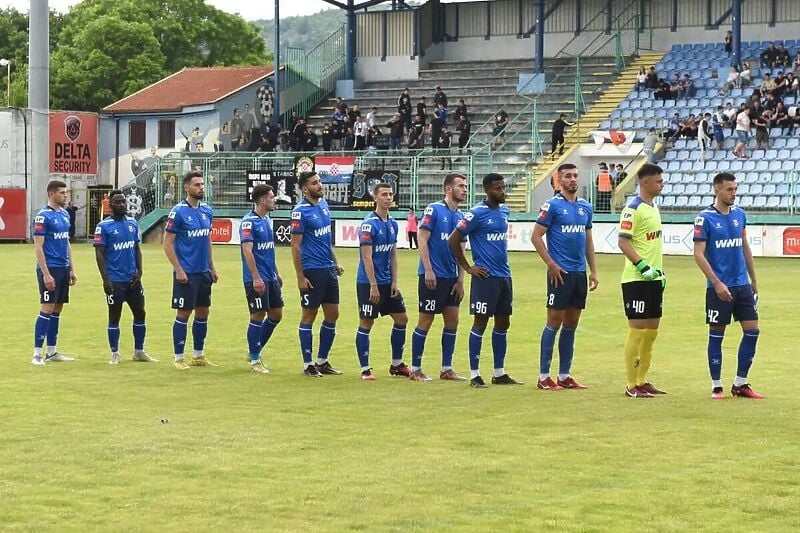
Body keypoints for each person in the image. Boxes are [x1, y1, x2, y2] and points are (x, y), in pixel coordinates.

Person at [692, 173, 763, 400]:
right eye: (729, 189)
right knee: (716, 336)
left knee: (752, 331)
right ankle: (716, 386)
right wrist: (716, 282)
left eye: (735, 189)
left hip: (742, 285)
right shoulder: (704, 219)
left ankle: (740, 384)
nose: (734, 193)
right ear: (717, 190)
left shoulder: (739, 215)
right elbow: (698, 254)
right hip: (718, 288)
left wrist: (753, 279)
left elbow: (745, 247)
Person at [448, 173, 522, 388]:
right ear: (488, 190)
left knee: (503, 322)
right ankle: (475, 374)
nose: (503, 192)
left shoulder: (504, 211)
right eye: (498, 188)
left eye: (503, 188)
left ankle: (499, 373)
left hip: (504, 276)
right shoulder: (476, 214)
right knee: (480, 322)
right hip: (485, 277)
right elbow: (453, 239)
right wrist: (468, 267)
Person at [531, 164, 598, 391]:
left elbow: (588, 240)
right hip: (560, 273)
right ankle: (543, 377)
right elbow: (536, 237)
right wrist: (551, 264)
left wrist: (593, 270)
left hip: (578, 273)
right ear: (559, 181)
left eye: (575, 175)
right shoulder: (551, 206)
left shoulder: (585, 207)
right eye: (567, 176)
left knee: (572, 323)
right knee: (554, 321)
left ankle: (564, 375)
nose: (572, 179)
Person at [412, 173, 469, 382]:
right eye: (460, 186)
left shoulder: (462, 217)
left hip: (451, 278)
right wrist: (428, 269)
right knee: (425, 320)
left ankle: (446, 368)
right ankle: (415, 368)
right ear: (448, 189)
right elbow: (422, 238)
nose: (464, 189)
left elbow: (462, 248)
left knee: (452, 321)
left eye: (465, 186)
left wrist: (461, 279)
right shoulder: (434, 210)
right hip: (432, 277)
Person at [617, 163, 666, 398]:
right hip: (636, 279)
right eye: (658, 180)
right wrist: (642, 266)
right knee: (637, 331)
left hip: (654, 279)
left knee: (652, 332)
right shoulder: (632, 208)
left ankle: (642, 380)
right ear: (645, 182)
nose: (662, 183)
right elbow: (623, 242)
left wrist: (659, 272)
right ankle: (630, 384)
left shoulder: (654, 207)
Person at [291, 172, 345, 377]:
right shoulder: (300, 212)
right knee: (309, 315)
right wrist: (300, 275)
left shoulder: (323, 205)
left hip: (327, 268)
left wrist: (335, 261)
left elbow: (326, 238)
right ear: (305, 189)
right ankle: (308, 364)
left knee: (333, 314)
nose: (320, 185)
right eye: (315, 183)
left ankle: (322, 361)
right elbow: (295, 246)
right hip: (312, 270)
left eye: (319, 181)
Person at [163, 171, 219, 370]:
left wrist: (212, 266)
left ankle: (198, 355)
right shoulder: (178, 212)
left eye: (202, 184)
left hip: (203, 271)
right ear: (186, 187)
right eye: (196, 185)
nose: (201, 188)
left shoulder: (206, 211)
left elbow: (207, 239)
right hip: (186, 272)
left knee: (203, 312)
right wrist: (178, 269)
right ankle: (178, 358)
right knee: (184, 313)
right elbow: (167, 243)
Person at [354, 184, 409, 381]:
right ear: (375, 198)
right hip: (369, 283)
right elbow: (366, 258)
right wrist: (373, 285)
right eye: (384, 195)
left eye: (390, 194)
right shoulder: (369, 225)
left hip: (387, 282)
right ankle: (365, 369)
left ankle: (396, 364)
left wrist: (394, 280)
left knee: (402, 319)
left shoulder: (393, 223)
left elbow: (393, 254)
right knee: (367, 322)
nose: (388, 197)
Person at [94, 190, 155, 365]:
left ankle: (139, 351)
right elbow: (99, 253)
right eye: (117, 202)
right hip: (115, 280)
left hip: (133, 279)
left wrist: (140, 271)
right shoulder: (104, 227)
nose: (121, 205)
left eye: (123, 202)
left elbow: (136, 248)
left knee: (140, 313)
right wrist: (105, 279)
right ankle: (115, 353)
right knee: (114, 316)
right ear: (110, 205)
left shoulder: (132, 223)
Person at [31, 180, 77, 365]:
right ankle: (36, 354)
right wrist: (46, 273)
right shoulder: (43, 217)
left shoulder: (65, 214)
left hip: (63, 268)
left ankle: (52, 351)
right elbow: (38, 247)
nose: (65, 195)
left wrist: (71, 268)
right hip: (50, 267)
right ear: (51, 194)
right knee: (47, 307)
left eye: (66, 192)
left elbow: (66, 242)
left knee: (58, 307)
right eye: (62, 193)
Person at [240, 184, 284, 374]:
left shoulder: (267, 220)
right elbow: (248, 251)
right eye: (272, 197)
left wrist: (277, 272)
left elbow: (268, 250)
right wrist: (256, 277)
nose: (274, 200)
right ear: (263, 200)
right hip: (256, 279)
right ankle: (255, 360)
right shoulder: (249, 222)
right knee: (257, 315)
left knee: (276, 314)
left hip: (270, 276)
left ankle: (254, 350)